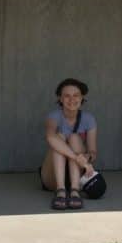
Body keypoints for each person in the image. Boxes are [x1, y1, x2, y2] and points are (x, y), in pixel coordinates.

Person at [40, 78, 98, 210]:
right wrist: (77, 157)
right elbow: (50, 137)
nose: (71, 99)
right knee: (58, 137)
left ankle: (74, 190)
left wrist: (87, 158)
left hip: (78, 174)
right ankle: (60, 190)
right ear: (60, 99)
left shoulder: (89, 119)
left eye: (76, 95)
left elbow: (93, 153)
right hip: (52, 176)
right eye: (66, 95)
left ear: (82, 97)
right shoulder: (54, 116)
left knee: (74, 138)